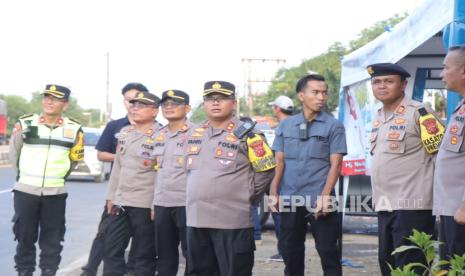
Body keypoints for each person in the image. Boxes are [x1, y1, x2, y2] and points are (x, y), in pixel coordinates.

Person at [185, 81, 276, 276]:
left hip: (232, 222)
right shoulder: (194, 132)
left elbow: (266, 169)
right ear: (204, 104)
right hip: (196, 220)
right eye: (210, 98)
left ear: (233, 103)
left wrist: (248, 195)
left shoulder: (250, 134)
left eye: (222, 98)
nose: (215, 102)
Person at [367, 63, 443, 275]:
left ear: (403, 85)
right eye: (377, 82)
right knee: (387, 263)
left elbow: (441, 157)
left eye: (389, 81)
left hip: (413, 206)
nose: (382, 86)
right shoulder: (378, 116)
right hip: (384, 205)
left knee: (411, 266)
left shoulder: (420, 112)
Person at [269, 74, 346, 276]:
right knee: (290, 252)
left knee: (328, 252)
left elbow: (336, 163)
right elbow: (279, 161)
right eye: (316, 92)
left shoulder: (333, 125)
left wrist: (325, 196)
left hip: (320, 198)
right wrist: (273, 191)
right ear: (301, 96)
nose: (321, 97)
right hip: (290, 197)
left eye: (324, 92)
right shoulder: (286, 125)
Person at [9, 84, 84, 276]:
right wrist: (25, 174)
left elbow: (74, 160)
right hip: (25, 191)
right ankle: (24, 272)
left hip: (55, 193)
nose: (49, 101)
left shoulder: (74, 129)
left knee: (53, 239)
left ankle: (48, 272)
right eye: (47, 97)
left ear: (65, 105)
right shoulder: (25, 123)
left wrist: (58, 176)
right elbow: (13, 154)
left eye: (56, 99)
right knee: (24, 237)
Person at [81, 82, 147, 276]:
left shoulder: (158, 130)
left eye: (138, 100)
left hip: (144, 195)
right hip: (118, 191)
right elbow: (101, 154)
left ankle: (131, 270)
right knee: (106, 233)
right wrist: (126, 157)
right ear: (124, 101)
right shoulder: (116, 126)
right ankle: (90, 269)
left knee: (141, 240)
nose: (133, 105)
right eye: (129, 100)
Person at [103, 90, 161, 276]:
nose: (135, 109)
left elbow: (163, 174)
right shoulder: (126, 133)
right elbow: (118, 167)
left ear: (154, 111)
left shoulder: (162, 136)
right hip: (121, 202)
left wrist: (156, 204)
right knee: (111, 250)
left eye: (141, 106)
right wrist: (111, 196)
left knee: (143, 255)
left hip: (145, 204)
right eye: (133, 105)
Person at [152, 89, 192, 276]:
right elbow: (155, 172)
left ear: (187, 108)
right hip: (162, 203)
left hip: (187, 203)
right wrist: (154, 203)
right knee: (165, 256)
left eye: (174, 104)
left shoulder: (197, 134)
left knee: (192, 254)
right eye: (165, 104)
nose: (168, 108)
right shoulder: (157, 135)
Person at [434, 45, 465, 260]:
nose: (441, 73)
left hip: (460, 210)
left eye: (446, 68)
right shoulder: (461, 106)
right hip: (450, 208)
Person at [266, 95, 294, 262]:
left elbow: (279, 158)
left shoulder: (283, 126)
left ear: (277, 108)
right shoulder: (298, 123)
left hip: (283, 178)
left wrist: (273, 186)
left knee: (280, 216)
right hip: (295, 178)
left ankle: (284, 252)